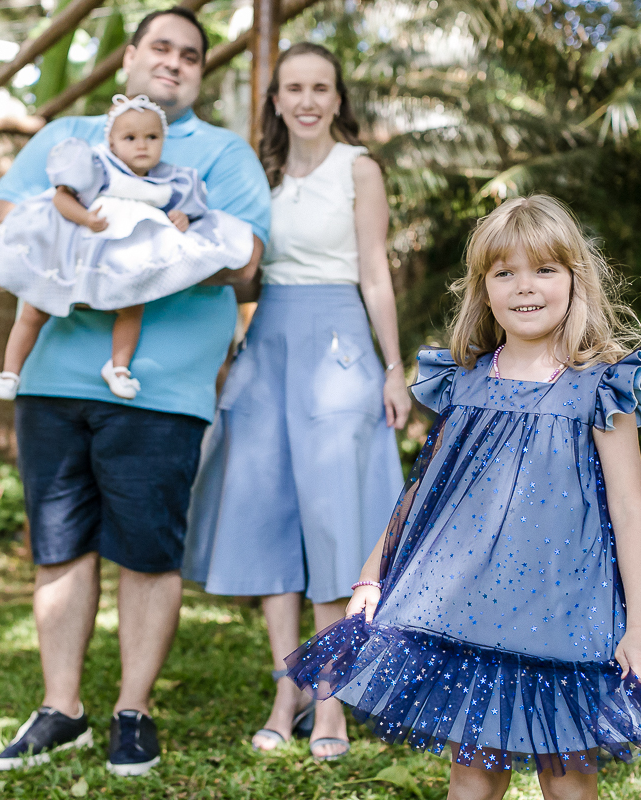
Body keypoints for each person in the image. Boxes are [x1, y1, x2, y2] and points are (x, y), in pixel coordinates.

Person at [285, 195, 641, 799]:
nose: (526, 287)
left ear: (576, 279)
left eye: (545, 269)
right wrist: (371, 577)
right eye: (505, 272)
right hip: (468, 613)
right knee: (472, 776)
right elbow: (422, 492)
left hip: (566, 615)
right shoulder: (465, 381)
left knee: (569, 778)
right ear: (483, 289)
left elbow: (630, 512)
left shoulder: (602, 386)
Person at [0, 7, 270, 778]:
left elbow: (243, 261)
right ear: (129, 60)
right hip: (50, 381)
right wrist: (95, 237)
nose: (174, 63)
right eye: (161, 49)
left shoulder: (223, 155)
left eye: (190, 56)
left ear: (200, 74)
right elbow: (5, 219)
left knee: (147, 552)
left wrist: (133, 246)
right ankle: (61, 707)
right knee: (59, 546)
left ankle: (132, 712)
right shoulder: (64, 139)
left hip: (163, 389)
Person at [183, 43, 411, 761]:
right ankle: (288, 689)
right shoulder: (258, 174)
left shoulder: (360, 168)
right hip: (268, 348)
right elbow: (237, 267)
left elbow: (375, 271)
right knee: (268, 520)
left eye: (321, 87)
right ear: (275, 100)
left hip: (340, 347)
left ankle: (333, 699)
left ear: (338, 99)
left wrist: (394, 367)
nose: (308, 100)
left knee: (335, 525)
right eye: (294, 89)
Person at [0, 94, 254, 401]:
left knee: (132, 309)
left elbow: (188, 212)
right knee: (35, 308)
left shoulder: (171, 180)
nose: (142, 145)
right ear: (111, 142)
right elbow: (61, 198)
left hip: (123, 264)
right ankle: (10, 371)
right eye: (130, 137)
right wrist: (85, 218)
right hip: (75, 255)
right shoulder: (98, 168)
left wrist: (181, 218)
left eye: (152, 137)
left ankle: (119, 368)